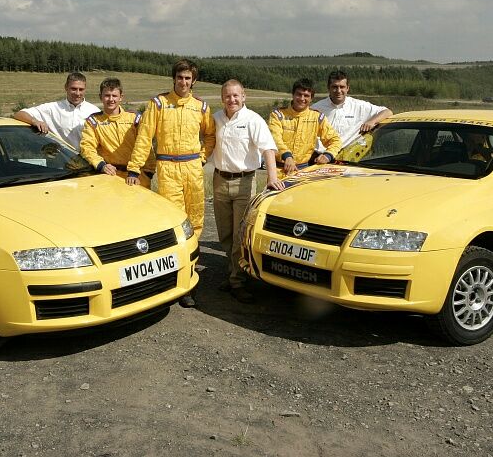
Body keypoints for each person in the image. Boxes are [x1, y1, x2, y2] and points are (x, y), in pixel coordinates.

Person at [126, 59, 216, 308]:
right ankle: (173, 279)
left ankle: (191, 276)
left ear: (193, 81)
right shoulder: (158, 104)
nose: (184, 82)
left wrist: (202, 157)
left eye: (188, 78)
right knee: (173, 224)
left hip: (192, 168)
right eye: (180, 78)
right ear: (173, 79)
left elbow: (210, 134)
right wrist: (134, 168)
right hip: (167, 167)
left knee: (196, 220)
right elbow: (144, 137)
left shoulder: (201, 107)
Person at [210, 80, 285, 303]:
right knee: (224, 232)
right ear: (221, 97)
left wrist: (272, 177)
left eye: (236, 96)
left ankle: (238, 281)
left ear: (244, 96)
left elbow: (268, 149)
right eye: (227, 96)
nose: (232, 100)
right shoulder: (216, 118)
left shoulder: (253, 120)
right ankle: (233, 272)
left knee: (239, 234)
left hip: (244, 182)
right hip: (220, 180)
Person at [79, 78, 155, 186]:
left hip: (137, 176)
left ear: (121, 97)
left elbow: (145, 144)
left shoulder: (135, 118)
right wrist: (101, 165)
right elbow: (87, 147)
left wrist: (148, 172)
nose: (111, 99)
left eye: (114, 96)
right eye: (107, 95)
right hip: (110, 175)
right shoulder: (93, 122)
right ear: (100, 97)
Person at [269, 78, 341, 175]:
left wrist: (328, 155)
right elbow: (275, 139)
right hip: (278, 170)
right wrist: (287, 156)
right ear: (293, 95)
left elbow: (335, 140)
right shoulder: (278, 115)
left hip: (303, 171)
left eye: (306, 96)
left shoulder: (317, 117)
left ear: (311, 98)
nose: (302, 99)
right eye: (299, 94)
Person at [12, 72, 100, 149]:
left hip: (88, 163)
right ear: (66, 87)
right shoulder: (52, 108)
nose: (77, 93)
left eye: (81, 89)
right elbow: (19, 114)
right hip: (61, 163)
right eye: (73, 89)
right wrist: (35, 121)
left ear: (85, 89)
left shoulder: (94, 111)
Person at [312, 71, 392, 150]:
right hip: (318, 157)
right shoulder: (315, 108)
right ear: (328, 88)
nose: (338, 91)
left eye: (342, 87)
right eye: (335, 87)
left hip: (346, 158)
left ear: (347, 88)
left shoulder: (359, 106)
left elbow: (387, 112)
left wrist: (372, 121)